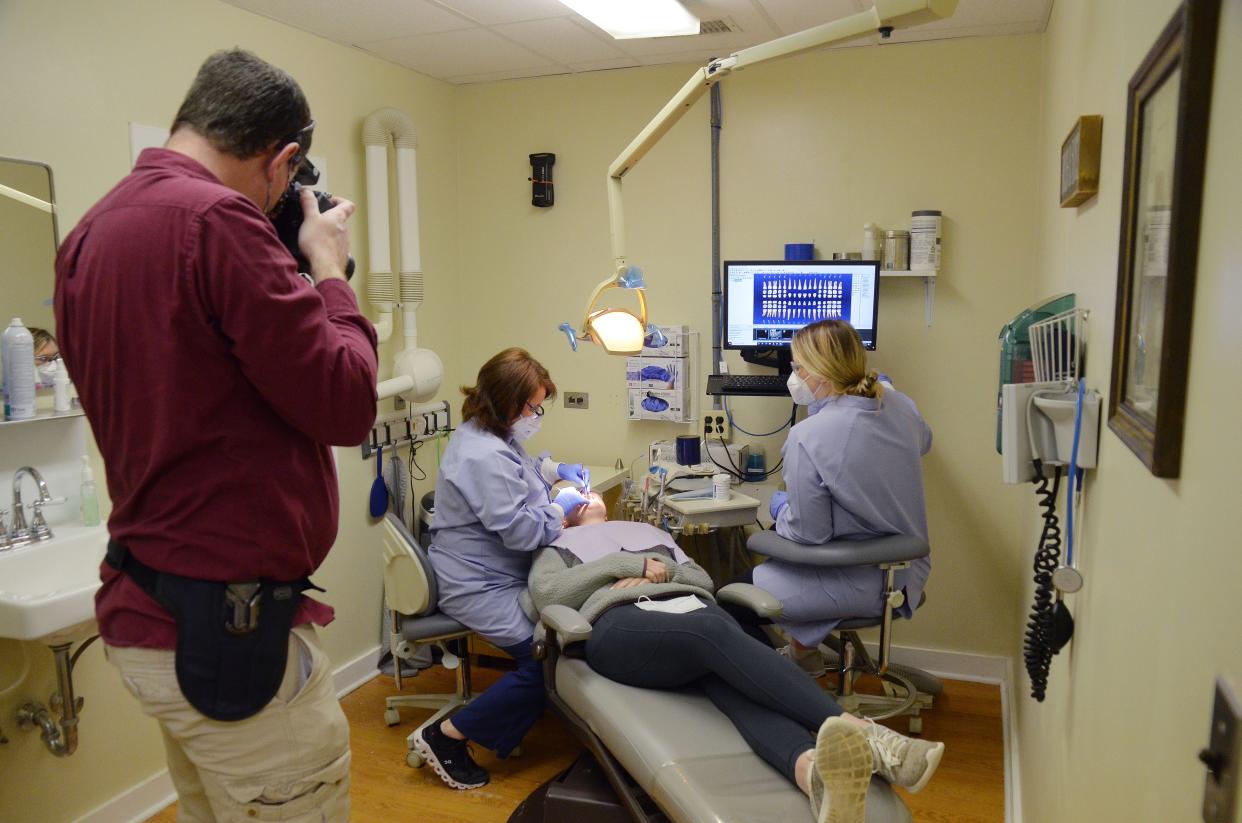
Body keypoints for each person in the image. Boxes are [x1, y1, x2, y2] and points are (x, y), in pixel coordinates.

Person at [54, 49, 376, 822]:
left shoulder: (90, 234)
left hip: (146, 607)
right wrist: (328, 271)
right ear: (284, 160)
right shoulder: (219, 222)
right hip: (231, 632)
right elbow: (347, 401)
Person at [529, 503, 944, 823]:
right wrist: (631, 566)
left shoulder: (647, 531)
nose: (587, 496)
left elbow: (702, 581)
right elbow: (550, 594)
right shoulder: (559, 546)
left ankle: (812, 774)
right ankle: (869, 737)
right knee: (715, 630)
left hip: (691, 618)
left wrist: (661, 570)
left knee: (732, 674)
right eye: (576, 498)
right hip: (620, 625)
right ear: (563, 518)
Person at [417, 346, 590, 789]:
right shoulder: (480, 454)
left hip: (499, 573)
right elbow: (521, 532)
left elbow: (524, 467)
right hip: (477, 585)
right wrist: (562, 509)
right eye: (533, 406)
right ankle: (448, 736)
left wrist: (554, 471)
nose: (536, 414)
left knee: (559, 645)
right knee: (548, 658)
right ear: (505, 402)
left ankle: (498, 723)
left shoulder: (489, 434)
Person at [729, 319, 932, 676]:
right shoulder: (899, 405)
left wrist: (781, 508)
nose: (794, 377)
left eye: (798, 368)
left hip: (857, 577)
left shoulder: (809, 436)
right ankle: (802, 658)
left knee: (732, 600)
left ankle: (783, 686)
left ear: (821, 374)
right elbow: (925, 441)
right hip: (905, 573)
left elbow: (810, 534)